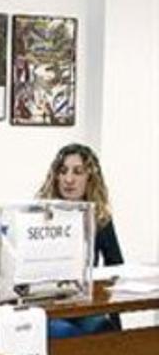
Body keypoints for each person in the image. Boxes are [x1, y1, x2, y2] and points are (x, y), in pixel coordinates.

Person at [38, 143, 122, 336]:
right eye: (63, 171)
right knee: (64, 332)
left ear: (90, 178)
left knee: (102, 328)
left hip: (81, 302)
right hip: (47, 303)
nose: (69, 179)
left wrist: (117, 328)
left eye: (78, 172)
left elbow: (115, 267)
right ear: (55, 176)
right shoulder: (41, 215)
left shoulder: (99, 218)